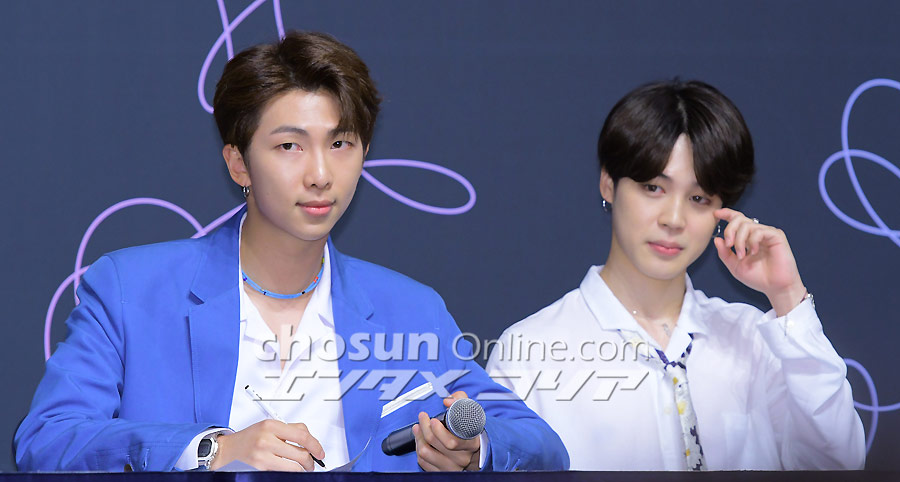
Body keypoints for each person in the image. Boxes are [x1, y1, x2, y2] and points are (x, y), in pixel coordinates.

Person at [15, 31, 568, 473]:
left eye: (340, 143)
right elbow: (47, 440)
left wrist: (474, 451)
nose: (320, 174)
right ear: (239, 164)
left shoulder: (409, 307)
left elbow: (539, 443)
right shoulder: (129, 289)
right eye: (289, 146)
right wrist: (211, 450)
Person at [486, 80, 866, 470]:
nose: (673, 219)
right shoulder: (530, 353)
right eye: (653, 188)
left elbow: (839, 464)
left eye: (698, 198)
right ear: (608, 183)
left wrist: (787, 298)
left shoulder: (753, 339)